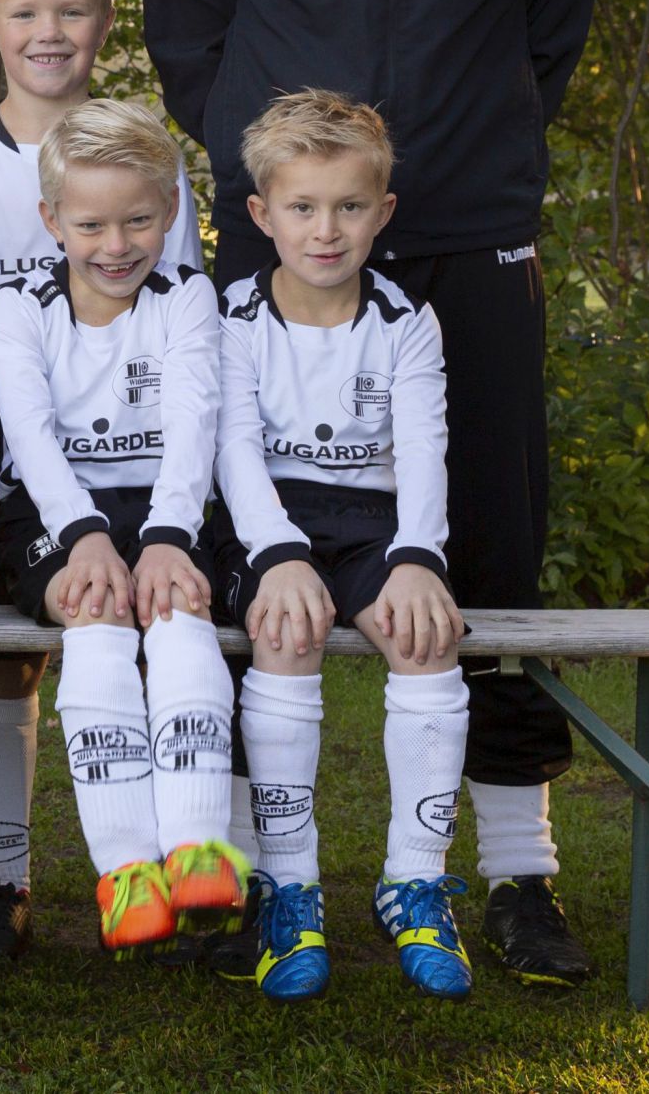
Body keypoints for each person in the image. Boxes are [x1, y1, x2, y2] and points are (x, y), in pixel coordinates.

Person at [142, 0, 600, 985]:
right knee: (239, 548)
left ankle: (518, 871)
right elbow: (186, 35)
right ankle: (228, 873)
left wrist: (471, 148)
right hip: (282, 250)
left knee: (494, 552)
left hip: (468, 237)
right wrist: (279, 184)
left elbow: (556, 15)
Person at [0, 0, 207, 961]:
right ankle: (3, 878)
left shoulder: (148, 156)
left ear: (104, 21)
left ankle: (197, 867)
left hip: (145, 470)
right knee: (7, 664)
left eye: (71, 11)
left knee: (160, 627)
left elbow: (186, 332)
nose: (49, 31)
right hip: (14, 473)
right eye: (26, 11)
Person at [213, 90, 469, 1001]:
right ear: (262, 214)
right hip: (264, 523)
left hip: (373, 524)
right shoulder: (230, 318)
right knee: (286, 631)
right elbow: (234, 450)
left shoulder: (407, 321)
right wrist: (277, 552)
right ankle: (289, 886)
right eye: (304, 207)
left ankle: (416, 880)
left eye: (350, 206)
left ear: (383, 211)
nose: (327, 230)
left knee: (425, 636)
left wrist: (419, 557)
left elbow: (426, 449)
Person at [0, 100, 241, 955]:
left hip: (164, 505)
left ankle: (197, 847)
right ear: (52, 219)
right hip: (51, 512)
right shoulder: (18, 307)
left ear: (170, 209)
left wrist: (169, 536)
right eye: (91, 224)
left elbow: (195, 422)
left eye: (138, 220)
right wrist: (84, 534)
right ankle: (126, 870)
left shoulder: (188, 297)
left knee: (177, 607)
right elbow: (30, 438)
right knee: (93, 609)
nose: (116, 244)